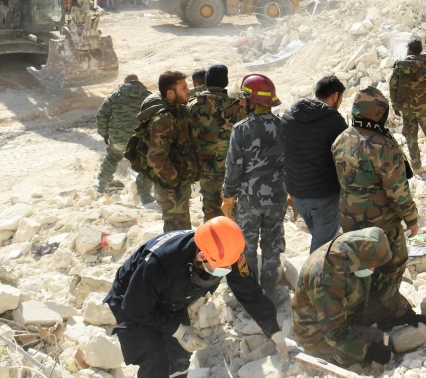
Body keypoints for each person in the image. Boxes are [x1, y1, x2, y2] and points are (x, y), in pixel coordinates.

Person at [104, 217, 292, 378]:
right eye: (220, 268)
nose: (226, 272)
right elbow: (136, 308)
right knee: (155, 357)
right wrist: (177, 330)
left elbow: (251, 292)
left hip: (172, 299)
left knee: (180, 355)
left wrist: (275, 332)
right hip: (132, 299)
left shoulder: (227, 254)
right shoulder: (160, 261)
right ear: (201, 256)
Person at [292, 227, 426, 366]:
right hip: (318, 331)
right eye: (372, 266)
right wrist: (369, 351)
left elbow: (380, 284)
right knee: (378, 340)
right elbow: (333, 332)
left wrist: (404, 313)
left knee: (383, 311)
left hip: (345, 308)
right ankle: (334, 356)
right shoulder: (326, 277)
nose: (373, 269)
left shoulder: (354, 254)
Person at [332, 87, 419, 290]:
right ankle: (385, 310)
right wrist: (412, 220)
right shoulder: (384, 146)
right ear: (378, 113)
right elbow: (398, 193)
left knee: (360, 266)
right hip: (381, 224)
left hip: (349, 219)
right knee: (393, 266)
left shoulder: (341, 139)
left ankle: (360, 303)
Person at [221, 73, 289, 302]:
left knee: (246, 248)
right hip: (277, 197)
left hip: (250, 200)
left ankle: (250, 297)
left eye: (244, 98)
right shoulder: (283, 126)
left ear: (254, 101)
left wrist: (227, 197)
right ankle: (269, 293)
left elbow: (234, 168)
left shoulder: (241, 129)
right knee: (272, 246)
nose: (241, 102)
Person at [281, 75, 348, 252]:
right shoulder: (334, 121)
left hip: (296, 194)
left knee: (320, 238)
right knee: (322, 249)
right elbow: (346, 159)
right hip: (323, 197)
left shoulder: (289, 114)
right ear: (335, 96)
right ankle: (313, 279)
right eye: (340, 98)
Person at [137, 70, 199, 231]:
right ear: (170, 93)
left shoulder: (179, 111)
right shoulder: (164, 119)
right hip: (171, 187)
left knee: (182, 229)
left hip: (178, 183)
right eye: (184, 88)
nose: (188, 90)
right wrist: (175, 182)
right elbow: (155, 156)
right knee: (176, 233)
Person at [188, 64, 247, 221]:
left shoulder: (193, 106)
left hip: (204, 167)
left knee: (210, 208)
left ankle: (212, 242)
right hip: (231, 169)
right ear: (225, 82)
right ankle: (232, 241)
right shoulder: (237, 108)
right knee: (231, 208)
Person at [389, 38, 426, 177]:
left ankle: (417, 168)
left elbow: (393, 87)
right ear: (421, 50)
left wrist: (395, 106)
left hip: (407, 111)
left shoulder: (399, 67)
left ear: (409, 50)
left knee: (411, 138)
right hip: (425, 110)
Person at [95, 74, 152, 203]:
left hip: (117, 139)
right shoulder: (148, 97)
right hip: (139, 140)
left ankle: (100, 186)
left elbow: (101, 116)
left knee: (112, 158)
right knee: (144, 164)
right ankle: (145, 196)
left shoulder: (114, 96)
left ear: (125, 82)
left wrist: (105, 135)